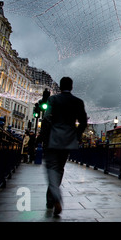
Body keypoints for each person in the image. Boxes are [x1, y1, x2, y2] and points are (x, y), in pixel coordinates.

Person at [40, 77, 88, 216]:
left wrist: (43, 137)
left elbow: (47, 118)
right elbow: (83, 122)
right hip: (68, 140)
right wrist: (76, 135)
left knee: (51, 169)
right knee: (59, 169)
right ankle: (51, 200)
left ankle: (55, 197)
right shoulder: (78, 102)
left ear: (60, 87)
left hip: (53, 139)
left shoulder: (53, 100)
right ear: (71, 87)